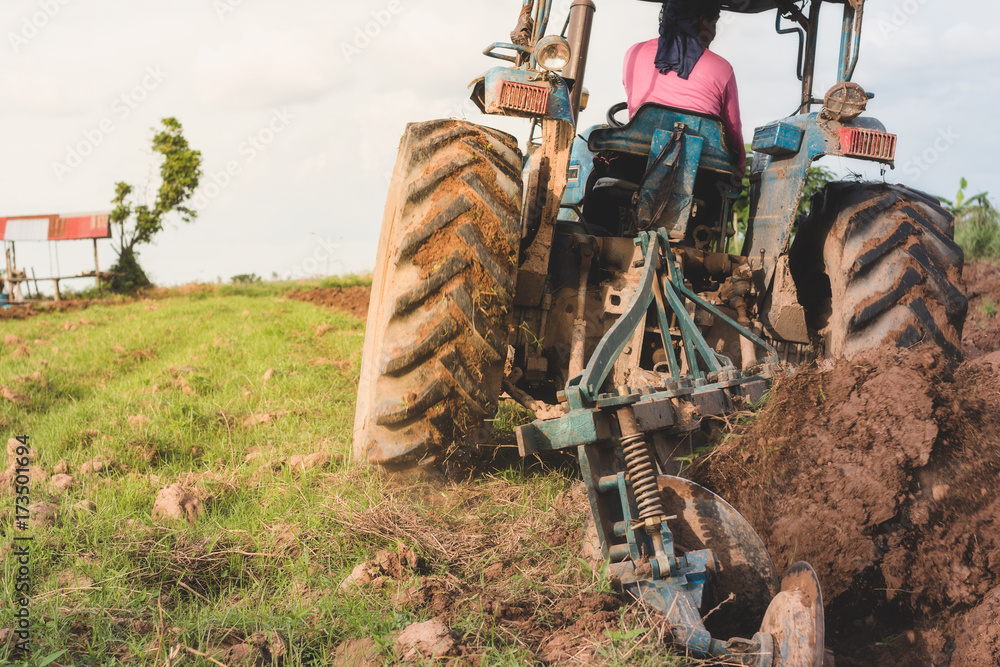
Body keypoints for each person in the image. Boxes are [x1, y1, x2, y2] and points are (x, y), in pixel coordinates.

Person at [623, 0, 745, 179]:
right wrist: (739, 170)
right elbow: (733, 133)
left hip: (637, 163)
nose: (714, 34)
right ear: (703, 21)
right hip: (701, 174)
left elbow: (633, 103)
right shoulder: (722, 68)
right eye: (714, 23)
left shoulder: (634, 52)